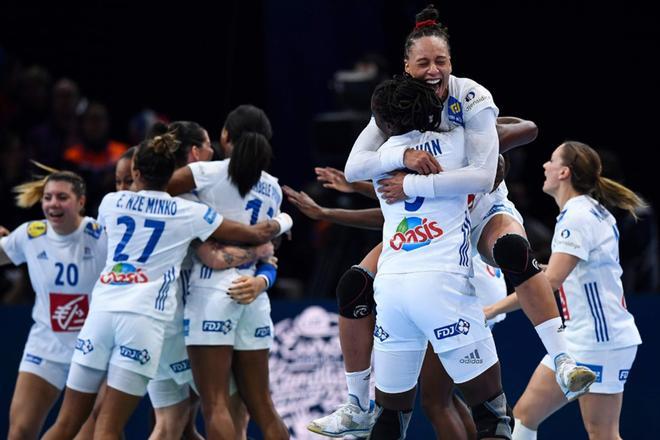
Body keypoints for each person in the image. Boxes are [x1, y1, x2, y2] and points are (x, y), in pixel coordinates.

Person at [309, 5, 595, 437]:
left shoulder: (470, 97)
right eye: (422, 62)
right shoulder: (397, 107)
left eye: (440, 61)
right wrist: (402, 157)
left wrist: (411, 184)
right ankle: (355, 404)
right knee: (353, 286)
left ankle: (562, 358)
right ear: (406, 67)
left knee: (513, 251)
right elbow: (355, 167)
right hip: (425, 232)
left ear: (451, 64)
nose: (432, 70)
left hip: (478, 209)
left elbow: (488, 170)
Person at [41, 133, 291, 440]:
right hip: (146, 322)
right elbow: (248, 236)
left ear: (135, 173)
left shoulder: (110, 202)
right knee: (114, 426)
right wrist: (281, 224)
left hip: (101, 314)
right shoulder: (189, 212)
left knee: (68, 424)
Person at [352, 74, 510, 439]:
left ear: (386, 122)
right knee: (492, 416)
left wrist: (403, 168)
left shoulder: (377, 158)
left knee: (390, 420)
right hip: (442, 287)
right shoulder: (458, 143)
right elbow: (492, 167)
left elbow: (351, 168)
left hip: (391, 290)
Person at [484, 141, 644, 440]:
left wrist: (491, 310)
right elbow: (567, 272)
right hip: (580, 339)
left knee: (603, 434)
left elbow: (552, 282)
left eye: (552, 160)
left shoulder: (577, 217)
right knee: (524, 416)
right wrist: (528, 269)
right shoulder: (592, 211)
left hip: (600, 341)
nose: (545, 166)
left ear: (564, 172)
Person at [168, 104, 289, 440]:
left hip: (212, 292)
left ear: (225, 136)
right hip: (254, 291)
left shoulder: (206, 173)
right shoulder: (274, 187)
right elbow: (270, 244)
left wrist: (199, 226)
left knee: (216, 404)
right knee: (263, 406)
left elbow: (155, 192)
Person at [0, 168, 107, 440]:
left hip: (92, 350)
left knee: (89, 433)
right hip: (45, 345)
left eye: (62, 197)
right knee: (20, 431)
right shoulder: (30, 235)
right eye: (48, 198)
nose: (53, 204)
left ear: (81, 202)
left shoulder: (100, 235)